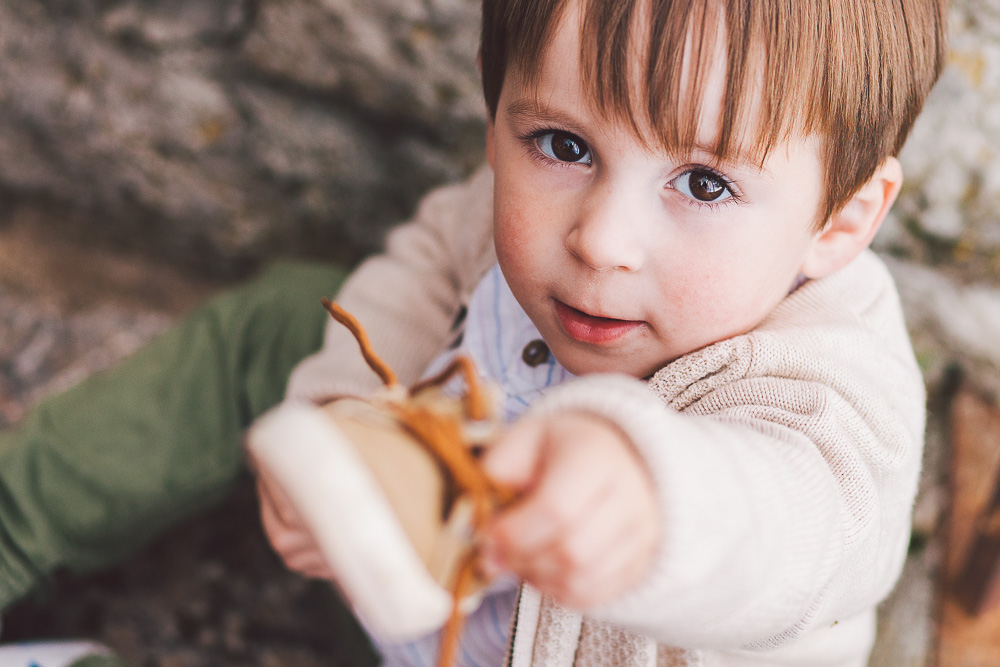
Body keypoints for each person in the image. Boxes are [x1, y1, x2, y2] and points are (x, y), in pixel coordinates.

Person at [254, 0, 948, 665]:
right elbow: (427, 265)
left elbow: (801, 528)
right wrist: (343, 418)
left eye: (704, 184)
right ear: (496, 124)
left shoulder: (834, 381)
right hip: (416, 620)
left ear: (842, 220)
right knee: (269, 318)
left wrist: (653, 502)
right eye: (566, 146)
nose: (601, 241)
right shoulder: (495, 215)